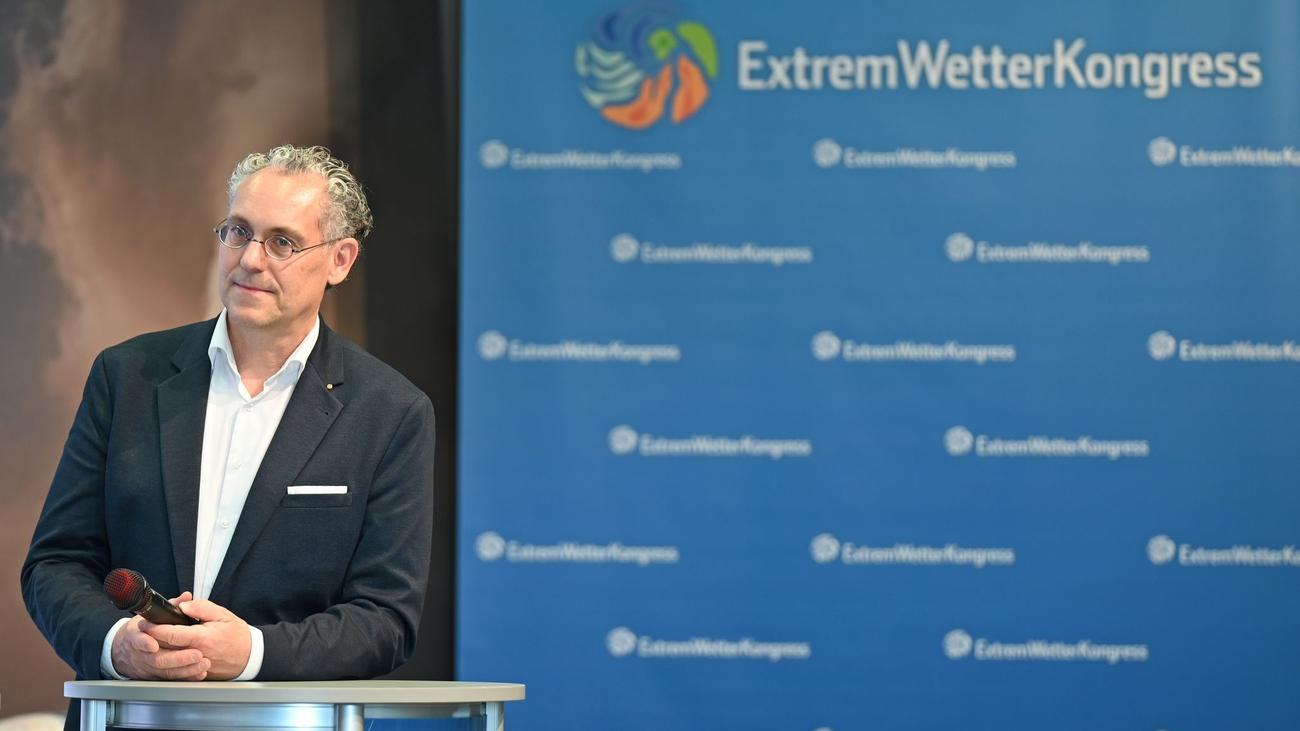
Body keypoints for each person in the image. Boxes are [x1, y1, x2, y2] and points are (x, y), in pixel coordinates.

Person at [21, 145, 434, 727]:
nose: (251, 260)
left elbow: (385, 620)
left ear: (340, 260)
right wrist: (115, 645)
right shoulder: (127, 376)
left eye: (282, 242)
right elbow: (56, 562)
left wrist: (253, 654)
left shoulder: (390, 412)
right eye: (238, 232)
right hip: (127, 718)